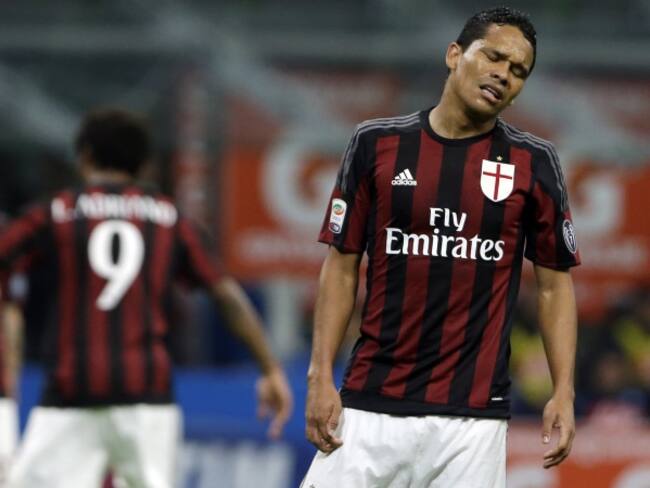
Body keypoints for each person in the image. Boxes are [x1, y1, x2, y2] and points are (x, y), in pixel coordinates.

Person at [302, 6, 580, 487]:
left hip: (473, 423)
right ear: (454, 55)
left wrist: (564, 391)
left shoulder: (534, 162)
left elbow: (555, 286)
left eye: (518, 71)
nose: (504, 75)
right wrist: (319, 375)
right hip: (370, 407)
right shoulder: (376, 143)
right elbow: (342, 266)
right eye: (493, 57)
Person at [0, 108, 293, 488]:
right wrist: (270, 368)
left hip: (72, 389)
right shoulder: (169, 219)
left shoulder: (58, 211)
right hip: (147, 395)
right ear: (143, 163)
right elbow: (225, 294)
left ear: (84, 156)